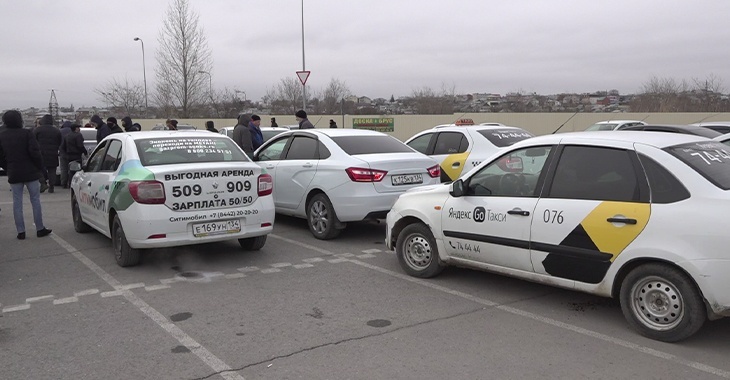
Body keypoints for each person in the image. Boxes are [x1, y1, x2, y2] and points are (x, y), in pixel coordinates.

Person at [0, 110, 52, 240]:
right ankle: (40, 228)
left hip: (13, 171)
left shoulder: (2, 136)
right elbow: (35, 152)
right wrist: (40, 167)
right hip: (30, 171)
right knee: (35, 200)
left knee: (17, 202)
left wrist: (8, 167)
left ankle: (21, 231)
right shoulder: (27, 133)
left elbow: (1, 157)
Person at [33, 114, 62, 193]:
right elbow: (60, 142)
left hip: (40, 153)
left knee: (39, 169)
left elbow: (33, 141)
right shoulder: (56, 130)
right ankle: (51, 186)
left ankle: (43, 182)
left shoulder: (37, 130)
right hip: (53, 153)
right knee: (52, 170)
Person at [60, 123, 87, 188]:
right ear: (76, 128)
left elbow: (63, 146)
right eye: (78, 127)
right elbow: (80, 146)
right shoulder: (78, 135)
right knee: (77, 170)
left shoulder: (67, 136)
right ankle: (75, 184)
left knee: (68, 170)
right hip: (76, 155)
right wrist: (85, 152)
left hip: (68, 155)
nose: (79, 129)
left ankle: (66, 183)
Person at [58, 121, 73, 188]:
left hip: (62, 152)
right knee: (72, 168)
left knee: (64, 168)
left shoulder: (60, 131)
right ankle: (71, 183)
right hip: (72, 153)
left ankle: (63, 183)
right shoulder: (73, 131)